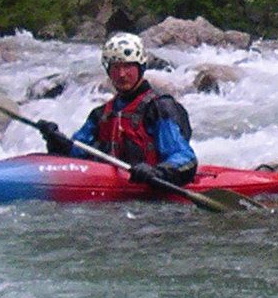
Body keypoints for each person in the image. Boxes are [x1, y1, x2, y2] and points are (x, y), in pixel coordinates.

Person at [37, 32, 198, 188]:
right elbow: (76, 155)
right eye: (116, 67)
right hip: (111, 196)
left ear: (141, 67)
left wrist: (158, 172)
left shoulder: (160, 108)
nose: (121, 74)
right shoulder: (101, 114)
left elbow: (184, 157)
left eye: (128, 66)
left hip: (151, 190)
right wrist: (56, 140)